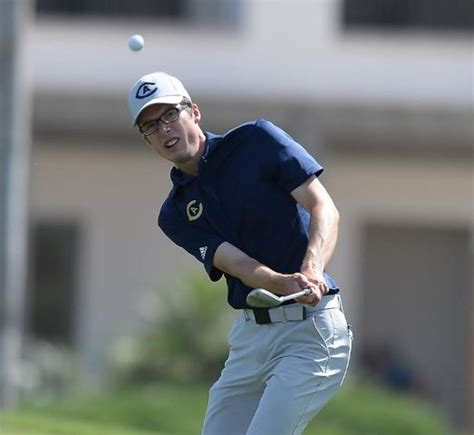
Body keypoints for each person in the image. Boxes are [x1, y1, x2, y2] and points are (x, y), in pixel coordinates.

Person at [127, 72, 353, 435]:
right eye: (151, 126)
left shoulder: (257, 140)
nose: (164, 129)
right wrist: (281, 281)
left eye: (170, 115)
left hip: (311, 332)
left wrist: (311, 269)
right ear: (148, 141)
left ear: (194, 113)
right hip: (250, 339)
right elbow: (237, 264)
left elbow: (324, 208)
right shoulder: (174, 214)